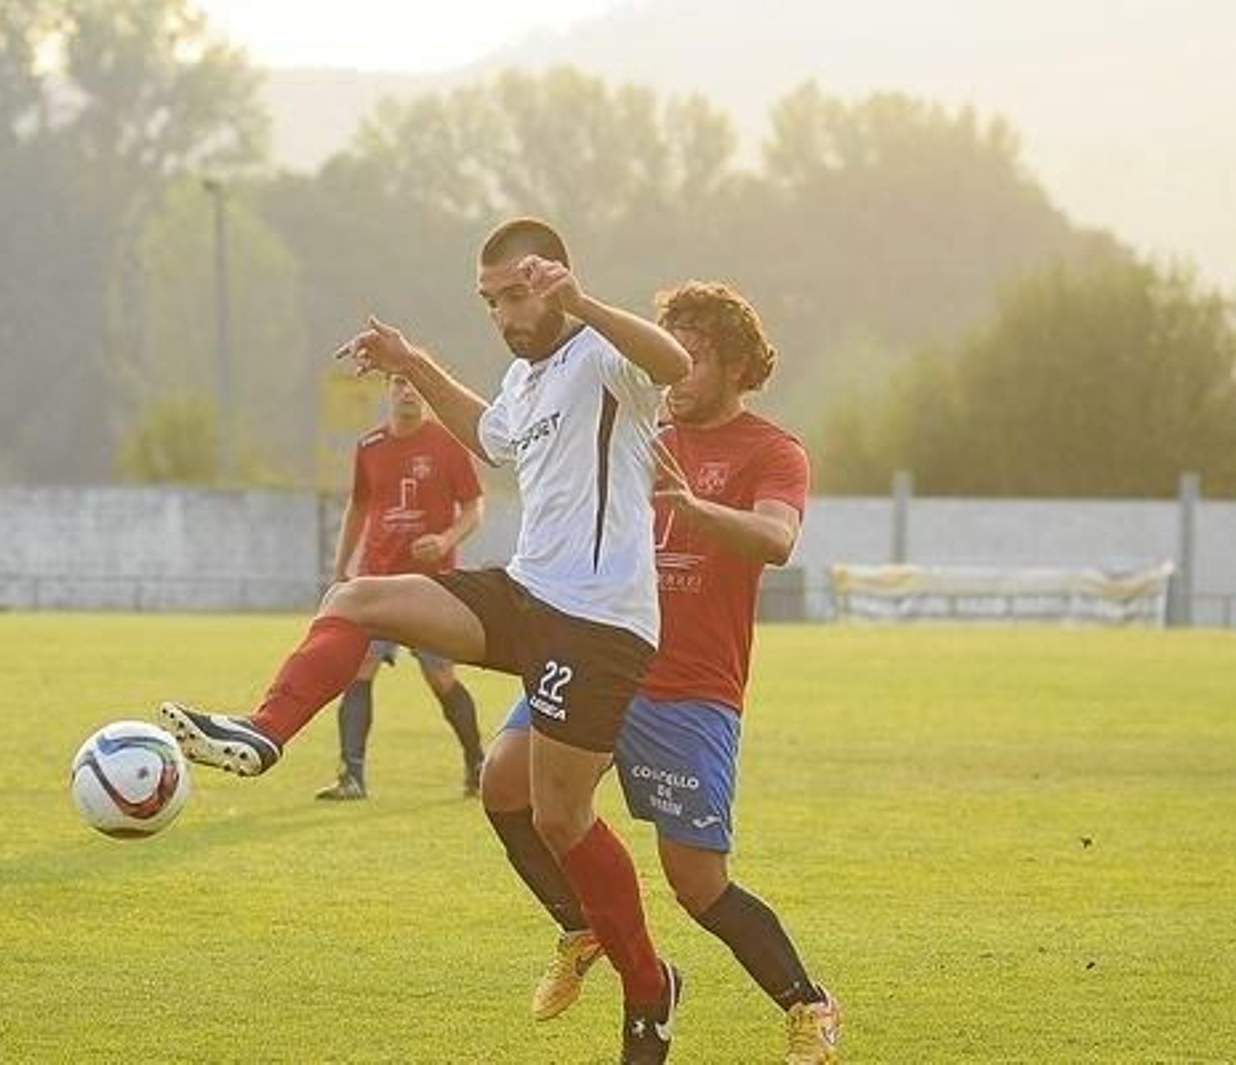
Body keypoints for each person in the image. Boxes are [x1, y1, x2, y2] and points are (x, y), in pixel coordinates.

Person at [159, 217, 693, 1064]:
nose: (503, 315)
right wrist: (411, 361)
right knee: (359, 595)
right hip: (528, 592)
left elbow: (675, 364)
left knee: (560, 814)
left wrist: (584, 302)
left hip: (599, 620)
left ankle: (649, 989)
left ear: (550, 277)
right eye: (489, 302)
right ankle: (265, 733)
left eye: (513, 295)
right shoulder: (527, 376)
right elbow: (490, 438)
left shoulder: (601, 352)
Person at [480, 281, 843, 1064]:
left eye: (694, 356)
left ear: (738, 365)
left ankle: (807, 1003)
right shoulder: (635, 419)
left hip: (691, 686)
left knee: (698, 882)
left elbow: (777, 540)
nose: (673, 372)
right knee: (505, 782)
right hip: (600, 654)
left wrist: (691, 505)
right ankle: (583, 928)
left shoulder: (772, 451)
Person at [317, 371, 487, 801]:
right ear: (389, 391)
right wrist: (341, 571)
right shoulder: (370, 447)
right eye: (398, 383)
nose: (408, 391)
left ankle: (477, 766)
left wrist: (447, 539)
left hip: (432, 588)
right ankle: (351, 776)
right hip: (377, 584)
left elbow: (474, 506)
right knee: (359, 670)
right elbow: (358, 507)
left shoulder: (446, 444)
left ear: (426, 393)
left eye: (415, 383)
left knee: (441, 678)